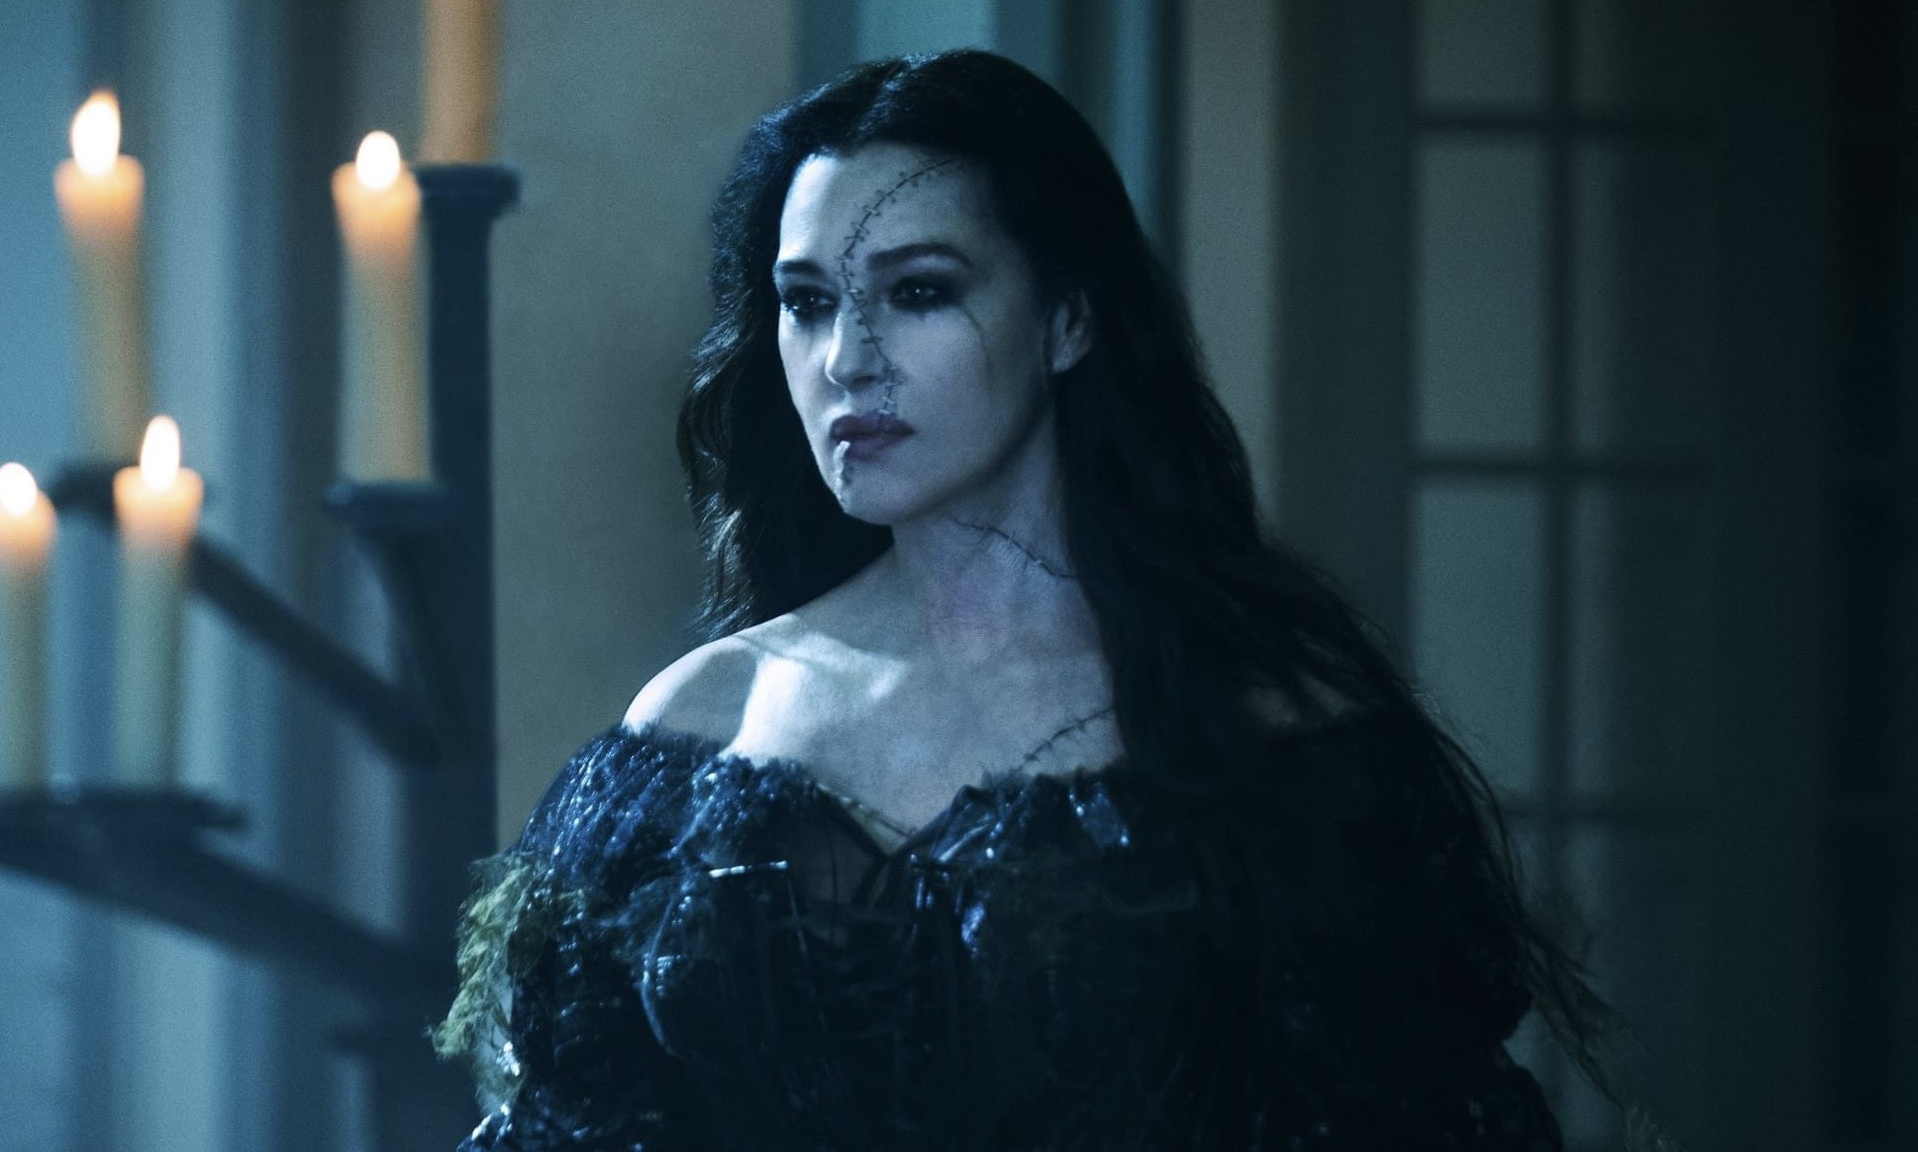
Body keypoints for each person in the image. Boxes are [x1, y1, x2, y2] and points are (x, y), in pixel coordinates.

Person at [436, 48, 1640, 1151]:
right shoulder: (701, 726)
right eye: (804, 302)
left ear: (1067, 316)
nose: (846, 360)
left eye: (918, 292)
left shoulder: (1271, 725)